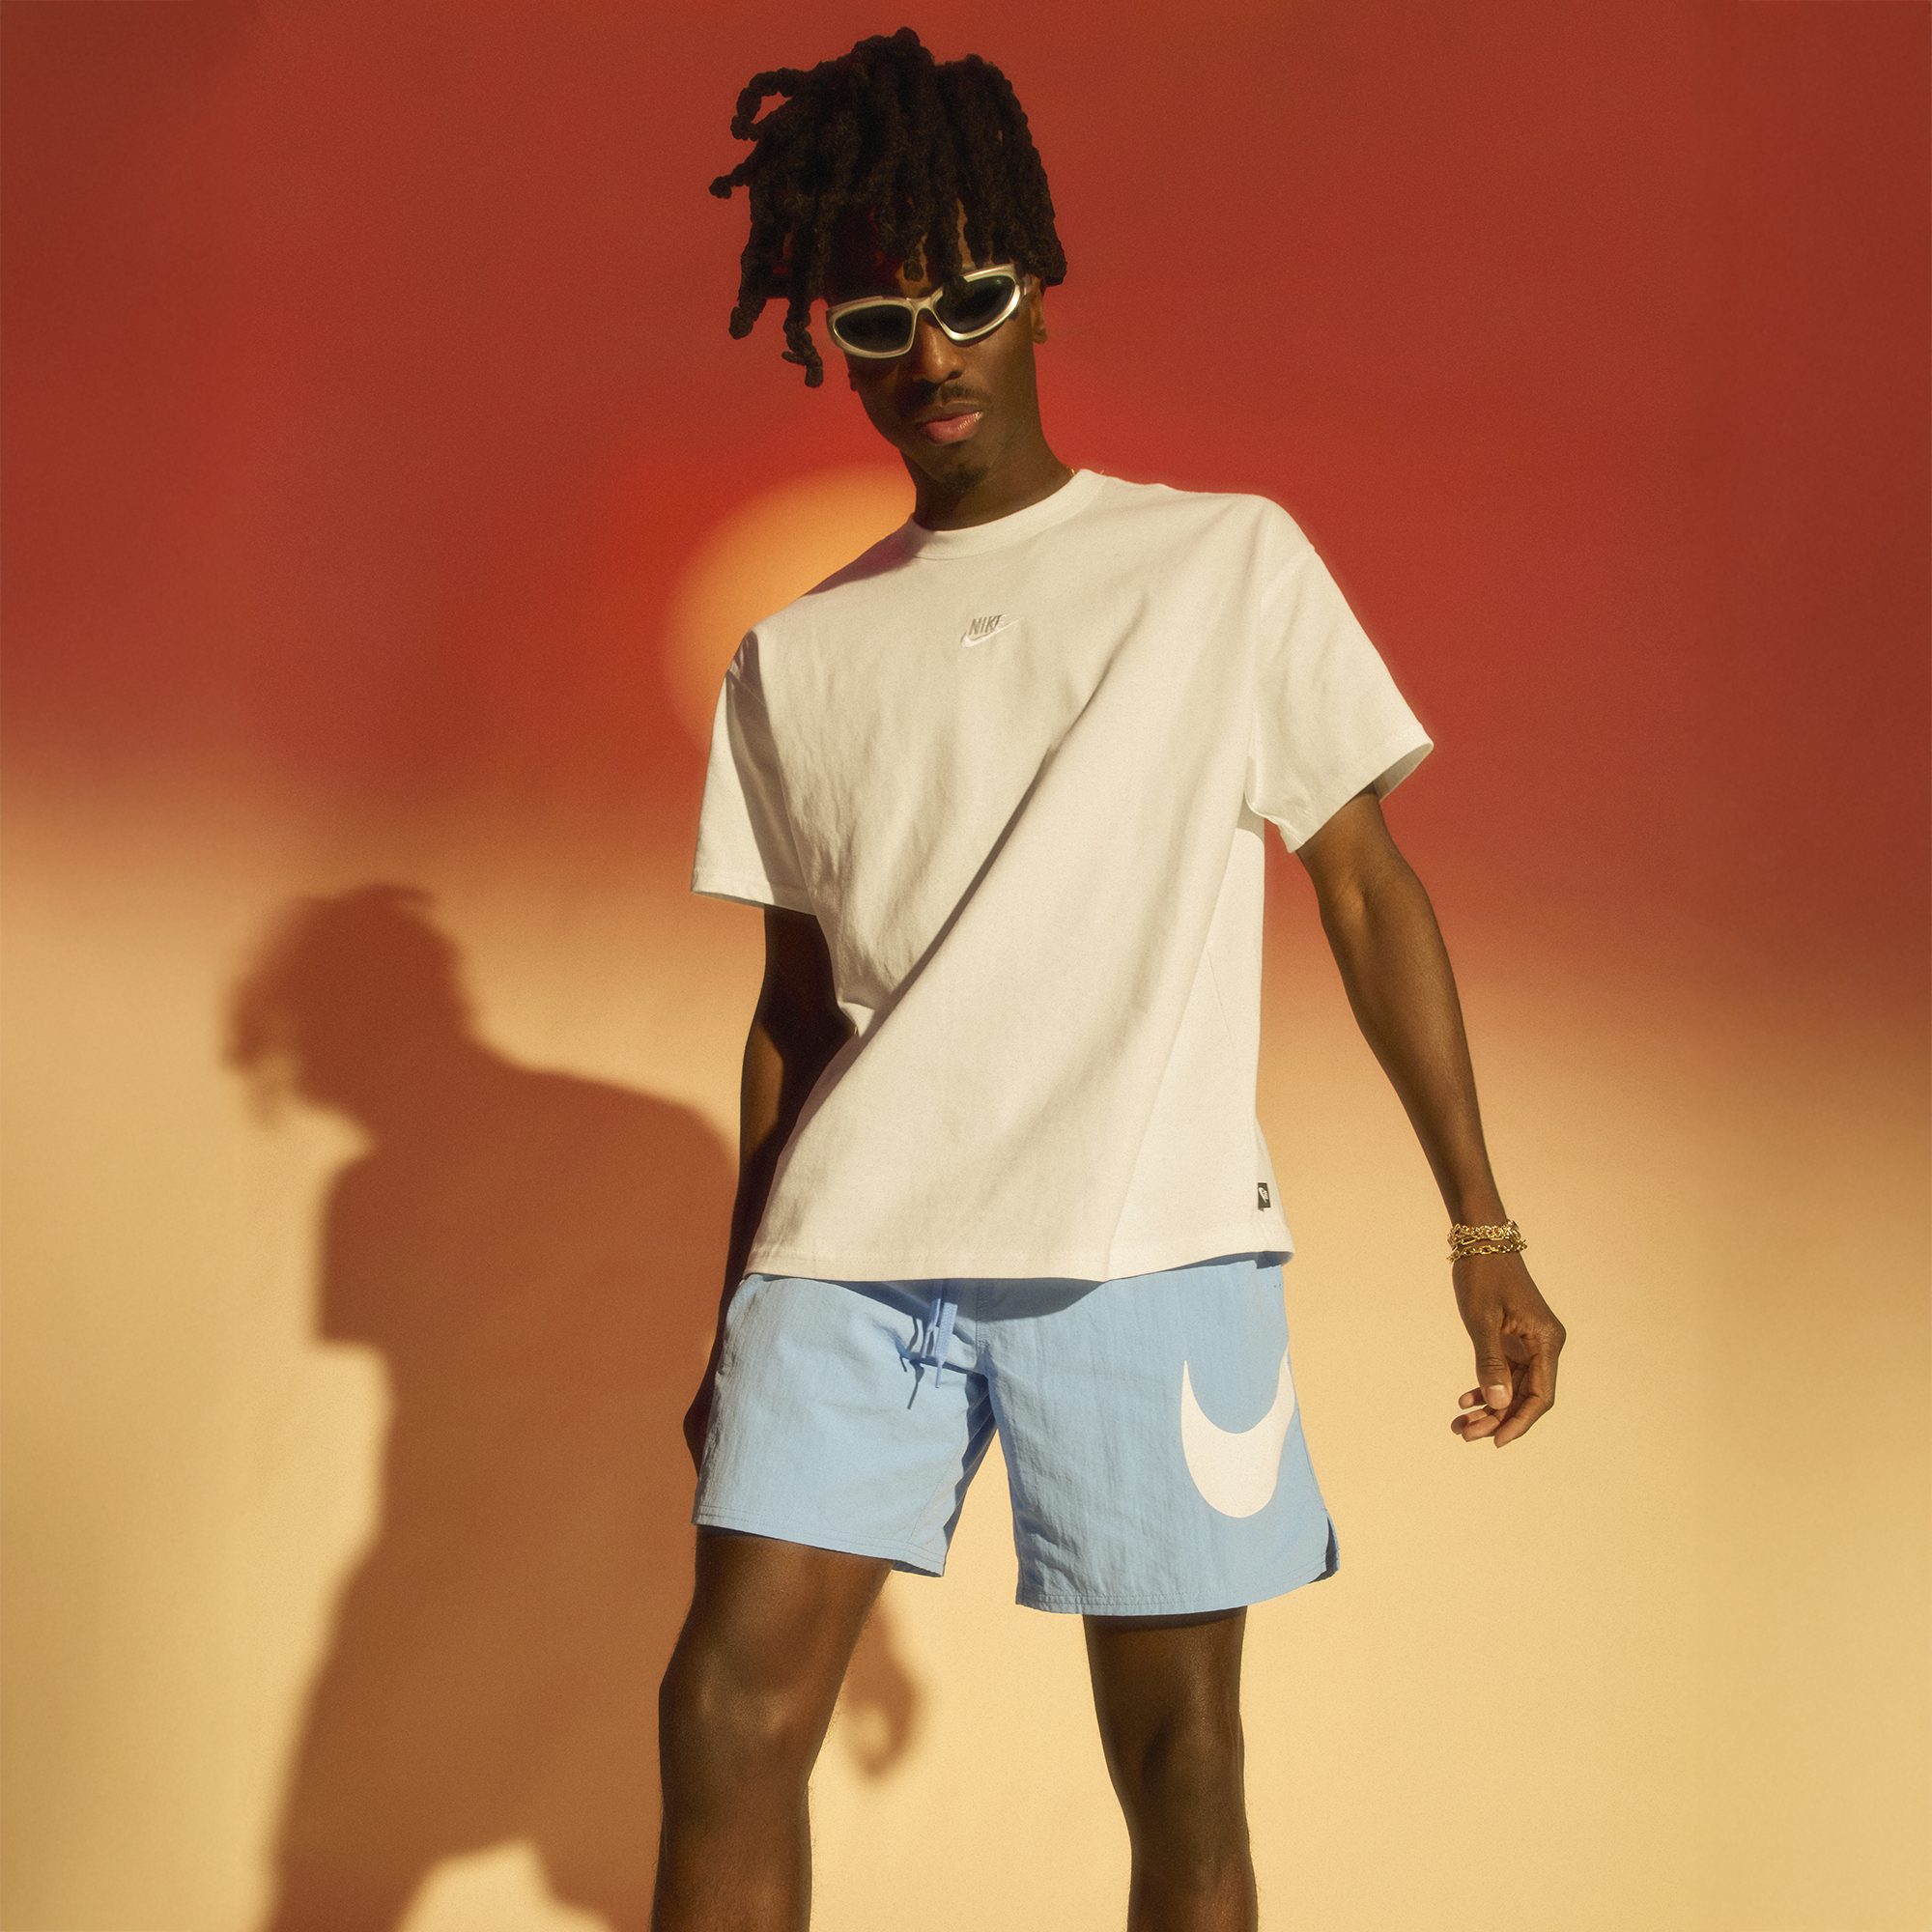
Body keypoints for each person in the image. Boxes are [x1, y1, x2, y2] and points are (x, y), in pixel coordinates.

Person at [655, 28, 1566, 1931]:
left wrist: (1480, 1228)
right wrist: (743, 1306)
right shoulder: (793, 659)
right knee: (723, 1718)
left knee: (1179, 1764)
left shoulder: (1219, 564)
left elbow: (1367, 891)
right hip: (850, 1260)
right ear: (838, 345)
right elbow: (795, 1017)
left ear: (1040, 293)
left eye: (972, 300)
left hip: (1147, 1247)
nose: (934, 353)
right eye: (881, 319)